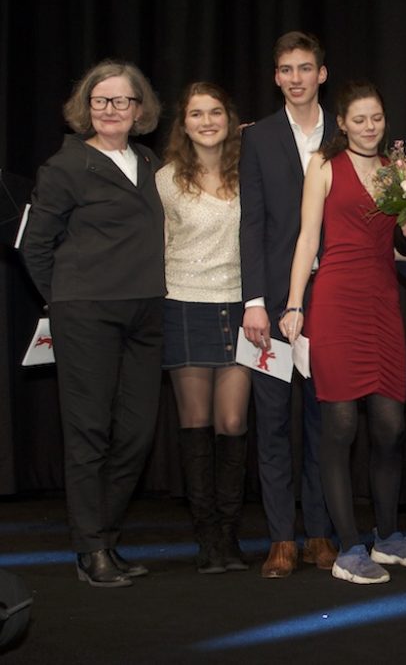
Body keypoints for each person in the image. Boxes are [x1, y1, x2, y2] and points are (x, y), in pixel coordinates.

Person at [280, 80, 406, 585]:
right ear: (341, 123)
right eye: (359, 119)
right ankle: (349, 548)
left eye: (377, 119)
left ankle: (386, 537)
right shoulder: (323, 166)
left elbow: (400, 251)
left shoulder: (399, 174)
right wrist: (294, 304)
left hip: (383, 303)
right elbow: (307, 238)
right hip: (336, 303)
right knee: (341, 426)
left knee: (391, 425)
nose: (370, 128)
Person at [21, 60, 164, 587]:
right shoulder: (66, 166)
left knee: (136, 433)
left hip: (147, 311)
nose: (111, 110)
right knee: (89, 434)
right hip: (87, 313)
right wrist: (64, 300)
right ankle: (90, 550)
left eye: (122, 100)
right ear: (86, 107)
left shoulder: (148, 161)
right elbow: (36, 245)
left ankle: (106, 537)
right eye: (101, 100)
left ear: (139, 108)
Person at [239, 31, 338, 578]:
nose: (296, 78)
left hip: (333, 300)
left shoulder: (347, 133)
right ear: (276, 77)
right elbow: (251, 223)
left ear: (322, 73)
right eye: (286, 69)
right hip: (271, 303)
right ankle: (281, 537)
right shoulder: (258, 139)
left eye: (306, 67)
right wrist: (254, 300)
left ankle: (320, 533)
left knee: (326, 422)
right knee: (273, 421)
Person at [157, 82, 252, 574]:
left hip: (239, 309)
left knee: (232, 423)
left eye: (216, 111)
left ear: (229, 119)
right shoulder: (166, 180)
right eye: (197, 113)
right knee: (195, 425)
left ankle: (231, 536)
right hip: (185, 305)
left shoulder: (247, 174)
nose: (207, 121)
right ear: (184, 123)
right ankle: (207, 540)